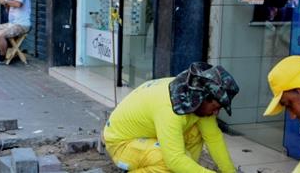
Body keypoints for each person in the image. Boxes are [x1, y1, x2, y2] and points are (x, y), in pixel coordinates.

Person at [103, 62, 240, 172]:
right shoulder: (170, 108)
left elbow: (213, 138)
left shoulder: (194, 95)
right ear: (202, 98)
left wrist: (230, 171)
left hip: (147, 135)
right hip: (122, 144)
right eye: (216, 107)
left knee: (196, 133)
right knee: (167, 161)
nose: (216, 113)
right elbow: (173, 160)